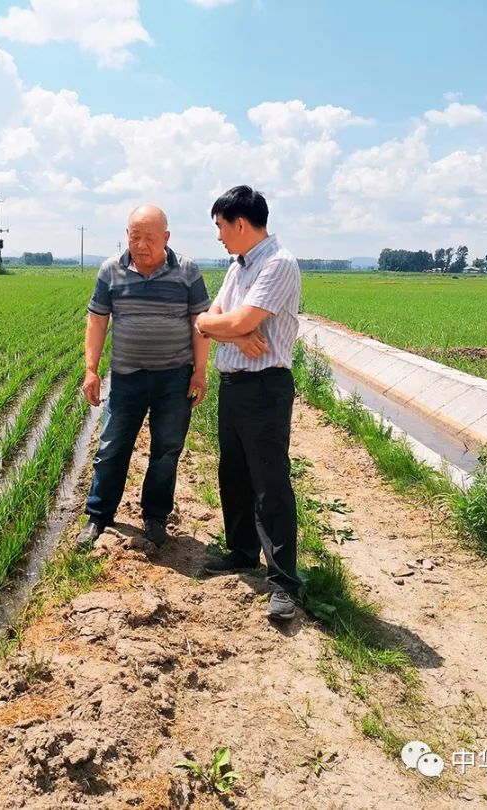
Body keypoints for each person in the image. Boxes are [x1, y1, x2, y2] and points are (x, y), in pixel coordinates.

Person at [194, 186, 302, 621]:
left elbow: (230, 318)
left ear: (240, 223)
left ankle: (283, 584)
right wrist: (233, 332)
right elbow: (207, 319)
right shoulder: (237, 267)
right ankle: (241, 551)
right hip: (235, 384)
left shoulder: (278, 264)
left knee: (269, 484)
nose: (218, 236)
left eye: (220, 227)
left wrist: (227, 326)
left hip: (265, 388)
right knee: (234, 473)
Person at [78, 205, 212, 547]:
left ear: (166, 238)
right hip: (127, 378)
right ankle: (98, 516)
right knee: (111, 447)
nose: (141, 245)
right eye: (135, 236)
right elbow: (97, 321)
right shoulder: (111, 271)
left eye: (149, 238)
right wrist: (91, 371)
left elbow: (200, 325)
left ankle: (155, 517)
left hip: (174, 379)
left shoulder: (187, 272)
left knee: (166, 450)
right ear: (127, 235)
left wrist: (200, 372)